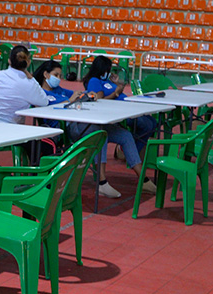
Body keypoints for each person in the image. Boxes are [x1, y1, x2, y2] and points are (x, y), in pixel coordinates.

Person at [35, 60, 156, 197]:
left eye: (59, 75)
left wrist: (86, 94)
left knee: (125, 135)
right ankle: (102, 183)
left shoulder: (59, 89)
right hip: (67, 128)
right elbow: (48, 107)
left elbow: (78, 93)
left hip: (84, 121)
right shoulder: (40, 93)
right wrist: (69, 101)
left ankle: (143, 180)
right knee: (100, 135)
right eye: (55, 75)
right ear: (45, 74)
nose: (58, 78)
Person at [0, 45, 57, 161]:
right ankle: (37, 175)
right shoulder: (27, 82)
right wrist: (31, 78)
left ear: (9, 60)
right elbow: (44, 102)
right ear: (28, 62)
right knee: (47, 145)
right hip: (11, 132)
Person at [83, 55, 157, 161]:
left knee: (153, 122)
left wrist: (116, 83)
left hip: (127, 108)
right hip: (118, 112)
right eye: (107, 70)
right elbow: (98, 100)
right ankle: (130, 153)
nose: (108, 72)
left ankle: (130, 151)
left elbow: (117, 90)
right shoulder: (94, 81)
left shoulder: (108, 81)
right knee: (147, 125)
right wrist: (115, 94)